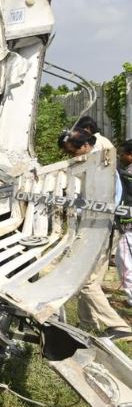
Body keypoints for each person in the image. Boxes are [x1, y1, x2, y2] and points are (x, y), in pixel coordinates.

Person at [59, 130, 132, 340]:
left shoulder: (101, 167)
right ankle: (87, 322)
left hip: (102, 230)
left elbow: (106, 203)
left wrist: (75, 208)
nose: (72, 157)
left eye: (72, 152)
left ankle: (119, 326)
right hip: (103, 229)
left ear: (84, 146)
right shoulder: (99, 163)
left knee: (88, 282)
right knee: (89, 280)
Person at [116, 140, 132, 306]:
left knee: (125, 264)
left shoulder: (127, 174)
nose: (120, 156)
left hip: (130, 227)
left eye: (123, 153)